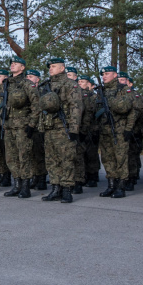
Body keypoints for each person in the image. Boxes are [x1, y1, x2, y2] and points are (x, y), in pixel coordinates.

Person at [38, 57, 84, 203]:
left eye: (53, 66)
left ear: (62, 68)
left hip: (63, 128)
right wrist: (41, 127)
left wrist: (74, 129)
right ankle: (55, 188)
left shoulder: (70, 84)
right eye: (49, 67)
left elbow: (76, 107)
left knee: (66, 159)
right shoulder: (46, 86)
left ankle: (66, 189)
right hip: (49, 128)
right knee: (51, 160)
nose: (50, 68)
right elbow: (41, 109)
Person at [0, 56, 40, 199]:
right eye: (12, 64)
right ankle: (16, 185)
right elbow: (0, 103)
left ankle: (26, 187)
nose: (12, 65)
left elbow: (36, 105)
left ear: (22, 68)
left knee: (24, 156)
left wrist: (31, 124)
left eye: (16, 64)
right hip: (8, 126)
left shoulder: (27, 84)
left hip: (22, 126)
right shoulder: (6, 84)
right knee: (11, 157)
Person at [95, 66, 134, 198]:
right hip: (104, 130)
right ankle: (111, 185)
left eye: (107, 74)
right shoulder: (101, 91)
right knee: (107, 159)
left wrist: (128, 128)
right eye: (103, 74)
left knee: (121, 159)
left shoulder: (123, 89)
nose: (104, 76)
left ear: (115, 75)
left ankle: (121, 187)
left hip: (119, 130)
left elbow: (131, 110)